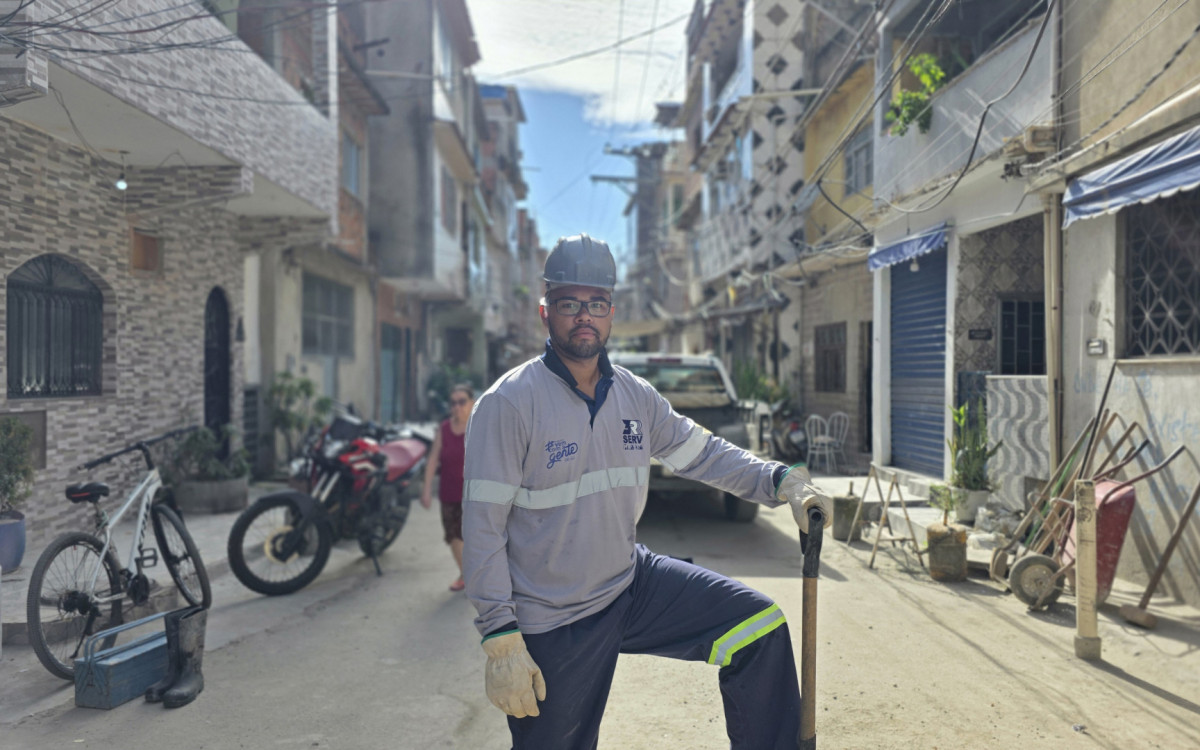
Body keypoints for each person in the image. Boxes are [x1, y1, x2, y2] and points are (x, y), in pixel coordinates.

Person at [462, 234, 831, 749]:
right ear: (546, 310)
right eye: (570, 304)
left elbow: (701, 452)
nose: (584, 316)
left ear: (612, 311)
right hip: (553, 616)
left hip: (629, 584)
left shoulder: (635, 396)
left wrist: (777, 480)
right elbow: (481, 529)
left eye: (596, 304)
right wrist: (500, 638)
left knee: (758, 627)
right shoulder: (509, 404)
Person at [421, 383, 475, 591]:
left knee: (473, 536)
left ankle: (474, 574)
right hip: (449, 492)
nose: (457, 407)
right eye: (453, 403)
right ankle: (465, 573)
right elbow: (433, 458)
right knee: (453, 536)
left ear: (472, 403)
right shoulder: (444, 428)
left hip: (474, 493)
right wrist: (426, 489)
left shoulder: (478, 425)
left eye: (462, 402)